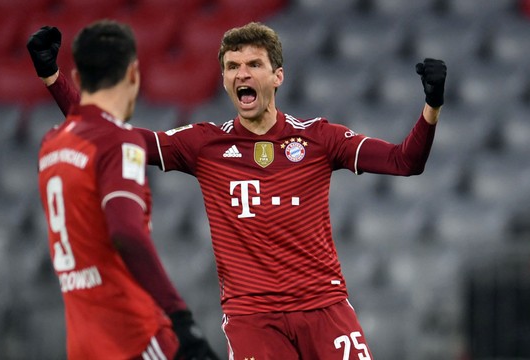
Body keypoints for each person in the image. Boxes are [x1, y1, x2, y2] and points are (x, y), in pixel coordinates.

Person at [29, 21, 446, 359]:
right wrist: (53, 77)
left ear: (277, 75)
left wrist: (431, 107)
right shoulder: (202, 144)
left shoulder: (319, 138)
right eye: (231, 66)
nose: (241, 74)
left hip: (324, 308)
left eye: (253, 64)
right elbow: (112, 136)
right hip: (252, 319)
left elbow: (404, 161)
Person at [28, 21, 220, 360]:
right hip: (134, 337)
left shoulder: (51, 145)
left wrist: (53, 80)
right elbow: (126, 229)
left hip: (84, 344)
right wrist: (181, 317)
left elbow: (91, 131)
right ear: (133, 73)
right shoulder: (123, 142)